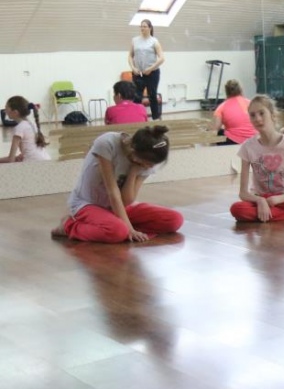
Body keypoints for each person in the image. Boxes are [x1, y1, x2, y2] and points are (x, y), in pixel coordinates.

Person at [51, 125, 183, 242]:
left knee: (174, 220)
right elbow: (112, 192)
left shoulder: (146, 161)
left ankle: (117, 224)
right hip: (88, 203)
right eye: (148, 163)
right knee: (118, 232)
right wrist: (129, 229)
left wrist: (133, 172)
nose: (150, 167)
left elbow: (127, 200)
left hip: (120, 207)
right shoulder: (107, 143)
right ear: (134, 151)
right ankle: (68, 226)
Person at [128, 19, 165, 120]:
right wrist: (133, 68)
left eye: (144, 26)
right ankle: (136, 118)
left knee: (152, 96)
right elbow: (130, 56)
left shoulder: (154, 41)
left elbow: (162, 58)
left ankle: (155, 118)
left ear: (150, 28)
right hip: (138, 73)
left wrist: (150, 68)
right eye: (141, 26)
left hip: (152, 73)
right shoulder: (135, 40)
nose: (142, 28)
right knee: (136, 97)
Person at [1, 96, 50, 163]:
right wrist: (20, 156)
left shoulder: (19, 128)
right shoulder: (32, 123)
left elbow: (10, 160)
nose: (4, 111)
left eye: (6, 108)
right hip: (46, 160)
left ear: (15, 112)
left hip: (33, 163)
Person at [212, 79, 255, 145]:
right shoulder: (251, 103)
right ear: (241, 90)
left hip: (234, 141)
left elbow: (215, 131)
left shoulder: (221, 107)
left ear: (226, 92)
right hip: (254, 139)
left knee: (218, 132)